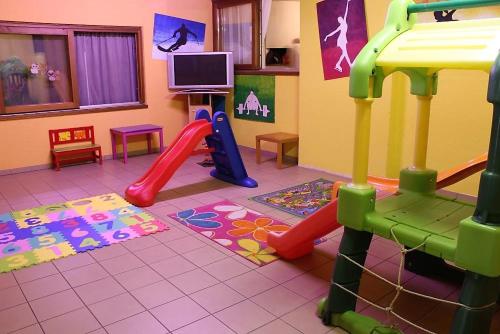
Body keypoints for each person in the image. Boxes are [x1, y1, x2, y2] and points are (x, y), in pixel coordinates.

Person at [323, 0, 352, 73]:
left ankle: (337, 65)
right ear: (339, 21)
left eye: (341, 18)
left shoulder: (344, 21)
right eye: (340, 19)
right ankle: (350, 66)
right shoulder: (340, 26)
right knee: (345, 53)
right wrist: (327, 36)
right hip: (341, 39)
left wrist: (347, 3)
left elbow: (346, 12)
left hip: (343, 39)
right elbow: (333, 32)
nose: (341, 19)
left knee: (344, 53)